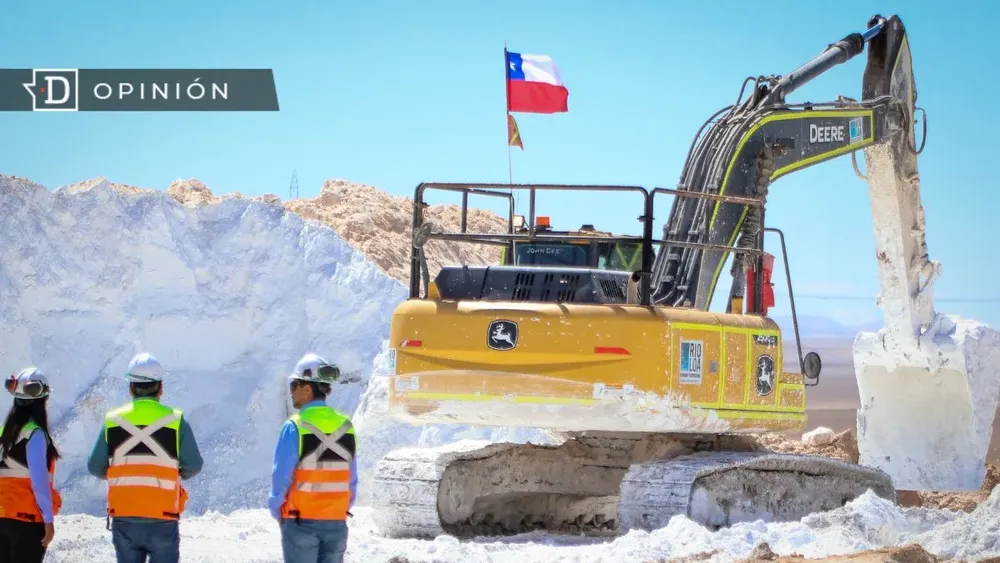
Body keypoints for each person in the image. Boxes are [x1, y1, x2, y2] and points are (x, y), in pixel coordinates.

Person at [87, 352, 204, 563]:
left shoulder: (113, 421)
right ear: (161, 387)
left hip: (124, 515)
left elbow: (95, 466)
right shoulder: (176, 420)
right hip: (163, 516)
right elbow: (194, 465)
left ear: (131, 387)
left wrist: (125, 472)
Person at [269, 353, 357, 563]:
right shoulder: (346, 426)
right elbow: (351, 480)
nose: (291, 392)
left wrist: (276, 509)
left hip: (301, 521)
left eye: (293, 386)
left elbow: (282, 476)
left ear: (307, 388)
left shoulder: (295, 427)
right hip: (336, 523)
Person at [0, 367, 61, 563]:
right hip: (26, 520)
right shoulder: (35, 434)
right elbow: (39, 482)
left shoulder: (3, 433)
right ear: (42, 400)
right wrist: (48, 521)